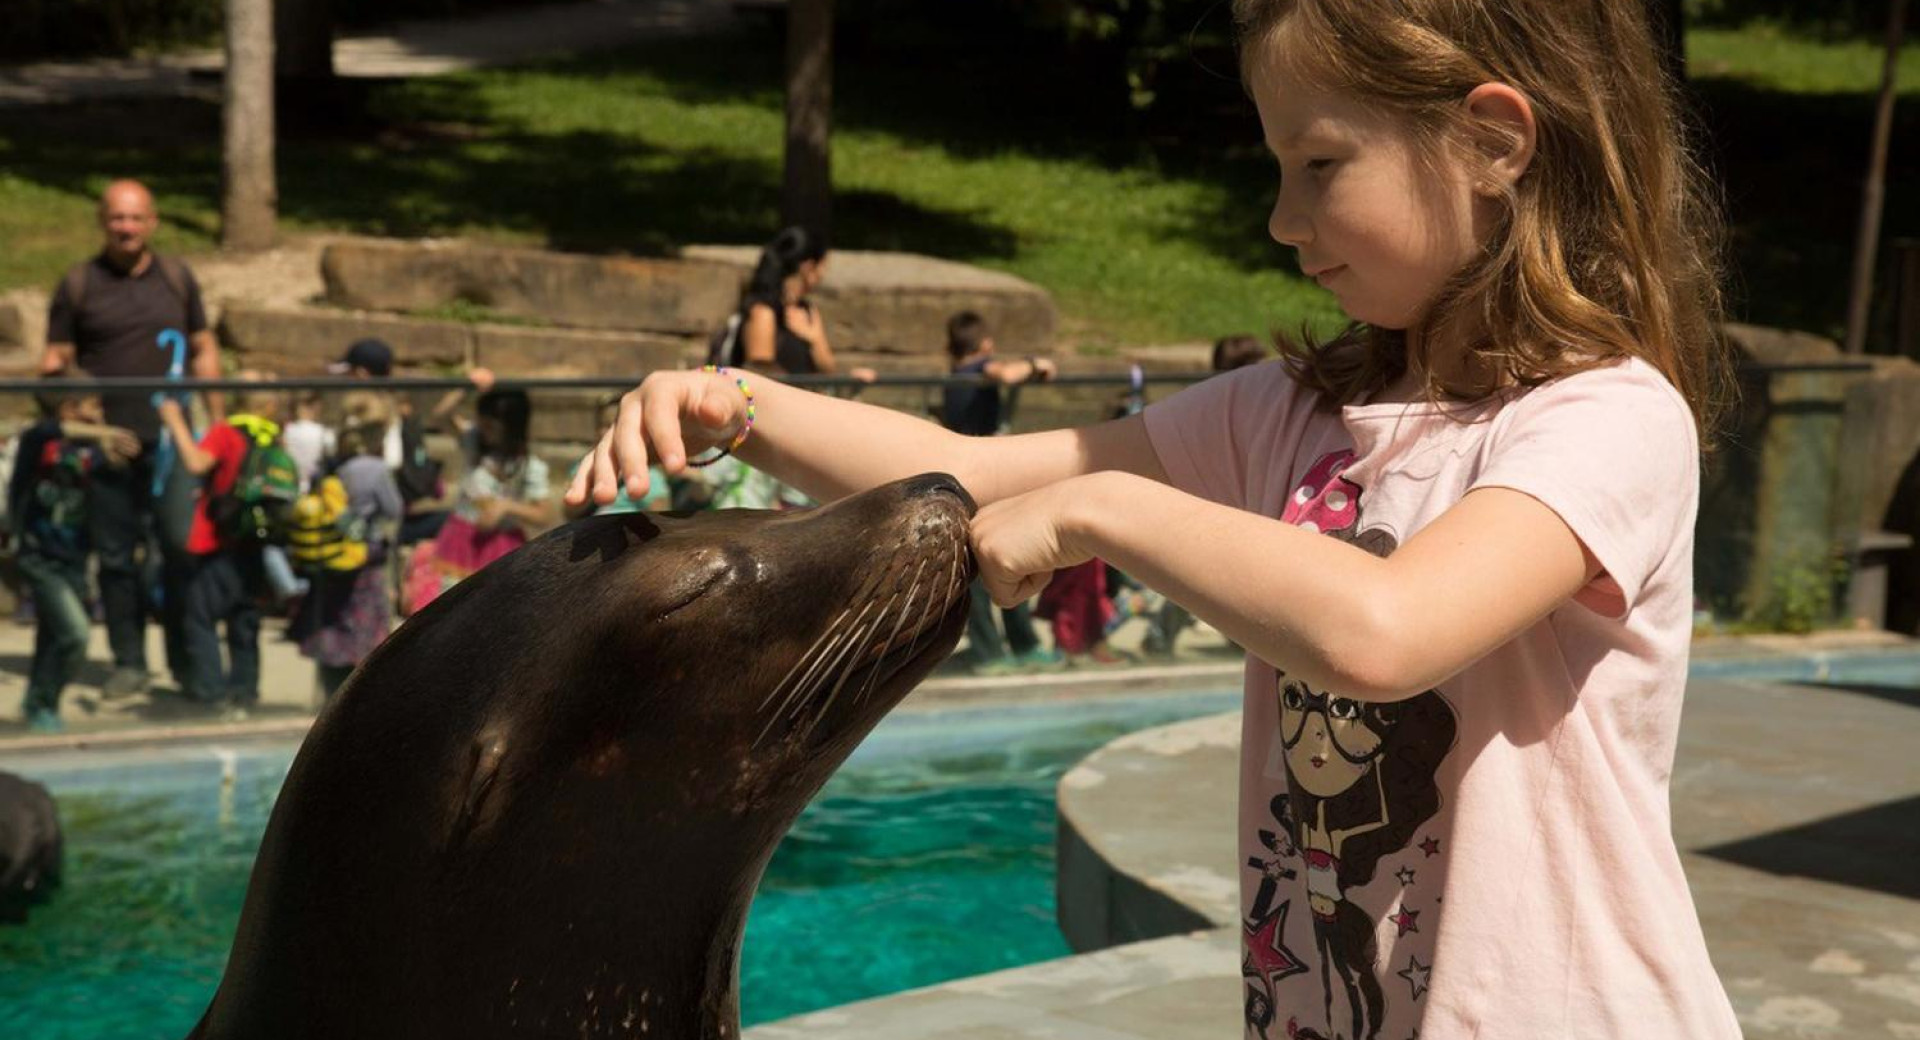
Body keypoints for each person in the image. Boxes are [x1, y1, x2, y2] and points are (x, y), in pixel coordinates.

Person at [568, 0, 1739, 1035]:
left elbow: (1389, 630)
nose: (1283, 220)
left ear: (1492, 141)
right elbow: (966, 470)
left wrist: (1110, 510)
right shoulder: (1292, 416)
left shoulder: (1609, 419)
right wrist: (738, 405)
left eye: (1320, 163)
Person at [41, 178, 226, 700]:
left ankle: (188, 663)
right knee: (117, 560)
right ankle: (129, 663)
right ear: (103, 221)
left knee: (178, 552)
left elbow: (203, 347)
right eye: (117, 217)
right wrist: (82, 416)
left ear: (153, 221)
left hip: (174, 447)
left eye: (135, 217)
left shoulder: (176, 278)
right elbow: (54, 362)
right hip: (108, 446)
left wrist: (216, 425)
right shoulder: (78, 284)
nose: (126, 227)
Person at [5, 376, 140, 732]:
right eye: (94, 406)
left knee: (52, 635)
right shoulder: (39, 441)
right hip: (38, 555)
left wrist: (116, 461)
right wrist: (102, 434)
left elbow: (110, 483)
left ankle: (39, 703)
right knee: (75, 635)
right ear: (70, 409)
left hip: (75, 558)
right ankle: (42, 702)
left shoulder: (89, 451)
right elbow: (48, 429)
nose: (101, 415)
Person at [939, 310, 1062, 674]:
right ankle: (1012, 647)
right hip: (988, 478)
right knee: (1010, 556)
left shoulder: (950, 378)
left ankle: (992, 648)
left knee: (977, 565)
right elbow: (1006, 374)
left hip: (961, 475)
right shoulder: (981, 371)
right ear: (986, 345)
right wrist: (1034, 364)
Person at [156, 381, 286, 720]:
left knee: (200, 617)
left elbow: (198, 463)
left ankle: (210, 694)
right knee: (244, 619)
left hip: (220, 541)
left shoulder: (227, 432)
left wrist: (175, 422)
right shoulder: (271, 436)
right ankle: (245, 692)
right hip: (255, 542)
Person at [405, 372, 554, 612]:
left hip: (500, 546)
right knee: (449, 606)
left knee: (491, 609)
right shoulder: (473, 443)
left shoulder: (529, 467)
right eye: (482, 423)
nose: (484, 430)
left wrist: (506, 507)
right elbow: (440, 416)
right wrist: (467, 386)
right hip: (459, 539)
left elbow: (544, 514)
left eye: (491, 427)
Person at [291, 395, 403, 702]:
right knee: (363, 629)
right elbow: (394, 510)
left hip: (329, 555)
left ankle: (328, 693)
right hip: (363, 558)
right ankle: (359, 699)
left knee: (333, 623)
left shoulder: (330, 464)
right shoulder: (375, 469)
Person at [726, 227, 876, 383]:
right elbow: (760, 374)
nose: (823, 274)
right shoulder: (763, 312)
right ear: (808, 267)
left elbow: (828, 370)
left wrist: (814, 338)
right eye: (822, 266)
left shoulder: (807, 310)